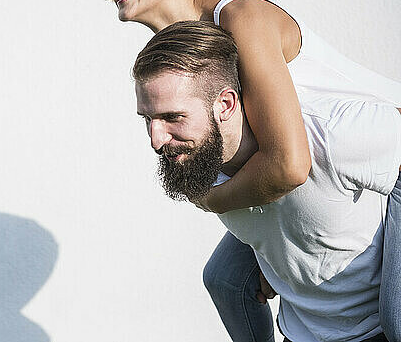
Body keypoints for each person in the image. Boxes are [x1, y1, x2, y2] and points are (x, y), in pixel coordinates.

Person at [55, 0, 401, 340]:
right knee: (225, 279)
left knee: (393, 317)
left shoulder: (241, 18)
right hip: (308, 177)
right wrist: (280, 261)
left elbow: (288, 165)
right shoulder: (182, 58)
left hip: (380, 161)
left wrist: (208, 200)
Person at [133, 20, 401, 342]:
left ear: (225, 104)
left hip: (377, 330)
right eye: (148, 119)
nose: (155, 139)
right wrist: (281, 262)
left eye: (172, 117)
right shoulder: (198, 164)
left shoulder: (327, 135)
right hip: (299, 332)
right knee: (222, 278)